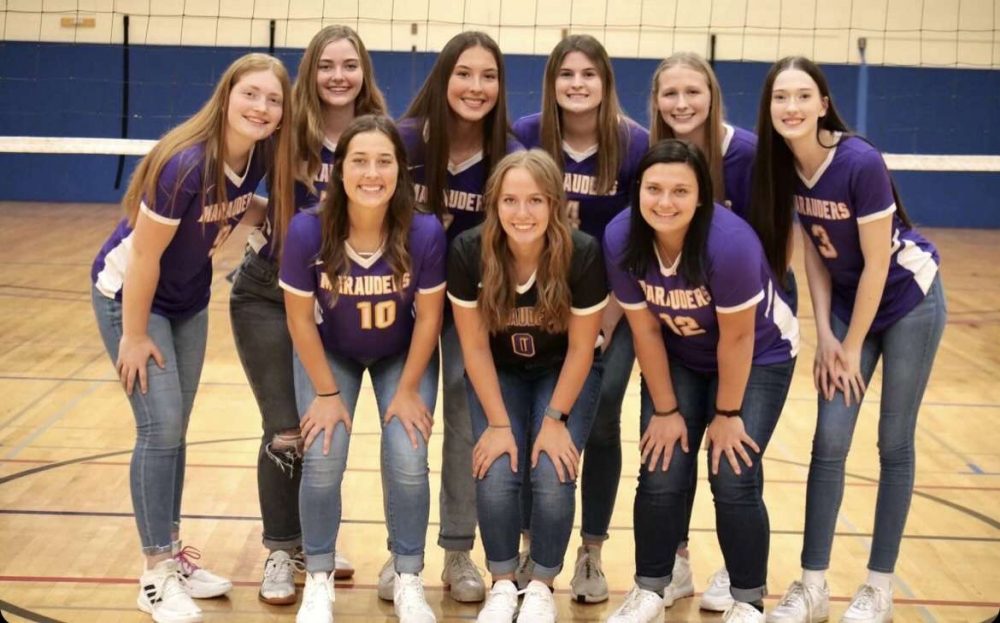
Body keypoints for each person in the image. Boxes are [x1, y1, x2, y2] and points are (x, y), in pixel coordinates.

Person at [91, 53, 294, 623]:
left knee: (175, 428)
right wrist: (133, 336)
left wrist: (278, 216)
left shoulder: (258, 156)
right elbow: (147, 258)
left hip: (188, 301)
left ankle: (172, 556)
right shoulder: (185, 165)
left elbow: (236, 208)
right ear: (227, 96)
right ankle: (155, 576)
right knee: (159, 428)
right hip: (131, 295)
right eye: (251, 94)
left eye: (273, 99)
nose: (261, 107)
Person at [753, 57, 945, 623]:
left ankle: (878, 589)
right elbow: (812, 248)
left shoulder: (858, 161)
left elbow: (880, 263)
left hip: (908, 299)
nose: (791, 107)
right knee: (829, 440)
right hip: (846, 306)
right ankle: (813, 585)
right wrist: (826, 336)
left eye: (802, 96)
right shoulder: (784, 162)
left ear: (822, 103)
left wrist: (853, 341)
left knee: (893, 441)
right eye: (780, 98)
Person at [603, 139, 799, 623]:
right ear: (638, 191)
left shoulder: (728, 243)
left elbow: (737, 340)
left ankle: (748, 601)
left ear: (701, 198)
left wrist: (728, 415)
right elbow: (645, 326)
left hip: (761, 355)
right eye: (654, 189)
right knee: (662, 465)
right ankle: (651, 588)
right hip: (681, 353)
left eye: (679, 191)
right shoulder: (621, 236)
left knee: (732, 473)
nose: (664, 202)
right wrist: (667, 411)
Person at [229, 25, 388, 605]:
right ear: (310, 73)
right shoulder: (284, 132)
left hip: (342, 298)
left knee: (324, 431)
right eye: (326, 65)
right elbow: (235, 184)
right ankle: (280, 550)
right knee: (285, 428)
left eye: (349, 65)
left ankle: (309, 544)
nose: (338, 76)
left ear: (364, 72)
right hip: (271, 294)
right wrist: (268, 224)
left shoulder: (378, 135)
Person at [280, 115, 446, 623]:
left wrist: (411, 387)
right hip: (332, 352)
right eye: (359, 161)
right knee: (324, 456)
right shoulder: (309, 229)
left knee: (408, 457)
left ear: (401, 170)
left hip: (402, 354)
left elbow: (430, 320)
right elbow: (300, 321)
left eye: (384, 161)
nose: (371, 173)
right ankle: (320, 579)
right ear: (338, 169)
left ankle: (408, 575)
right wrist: (326, 395)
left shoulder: (423, 231)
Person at [510, 34, 648, 602]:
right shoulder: (524, 135)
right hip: (537, 305)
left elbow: (645, 234)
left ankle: (590, 550)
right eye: (566, 74)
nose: (577, 84)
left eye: (589, 74)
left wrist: (613, 312)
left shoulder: (633, 144)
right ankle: (530, 546)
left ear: (605, 82)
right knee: (532, 420)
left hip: (610, 304)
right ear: (552, 82)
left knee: (604, 413)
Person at [448, 149, 607, 623]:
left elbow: (582, 349)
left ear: (554, 204)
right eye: (511, 201)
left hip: (563, 370)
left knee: (551, 469)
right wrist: (498, 423)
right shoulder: (469, 252)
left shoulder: (581, 253)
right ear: (494, 203)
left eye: (535, 201)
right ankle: (502, 582)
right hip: (498, 371)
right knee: (497, 466)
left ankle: (539, 583)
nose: (522, 213)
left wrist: (556, 420)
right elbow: (473, 349)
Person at [396, 30, 523, 603]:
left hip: (476, 308)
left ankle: (456, 552)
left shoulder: (511, 157)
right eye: (465, 74)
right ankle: (403, 560)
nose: (476, 87)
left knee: (468, 425)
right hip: (404, 304)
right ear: (443, 78)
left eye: (488, 76)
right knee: (407, 427)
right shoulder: (402, 143)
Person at [645, 50, 762, 611]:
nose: (682, 103)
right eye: (671, 93)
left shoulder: (745, 155)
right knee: (668, 456)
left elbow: (771, 245)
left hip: (744, 328)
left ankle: (741, 582)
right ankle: (677, 564)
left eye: (694, 91)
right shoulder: (651, 158)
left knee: (731, 463)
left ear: (713, 95)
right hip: (677, 329)